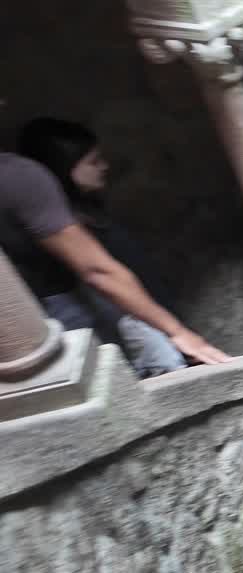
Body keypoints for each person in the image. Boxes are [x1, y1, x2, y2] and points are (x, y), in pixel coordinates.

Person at [0, 150, 229, 368]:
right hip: (57, 313)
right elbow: (97, 271)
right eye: (93, 160)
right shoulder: (16, 177)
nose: (105, 166)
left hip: (45, 318)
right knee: (158, 362)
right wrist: (177, 332)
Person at [17, 117, 188, 378]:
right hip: (136, 330)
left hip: (151, 320)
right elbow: (102, 280)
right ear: (63, 167)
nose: (104, 167)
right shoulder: (65, 232)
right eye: (93, 161)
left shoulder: (88, 213)